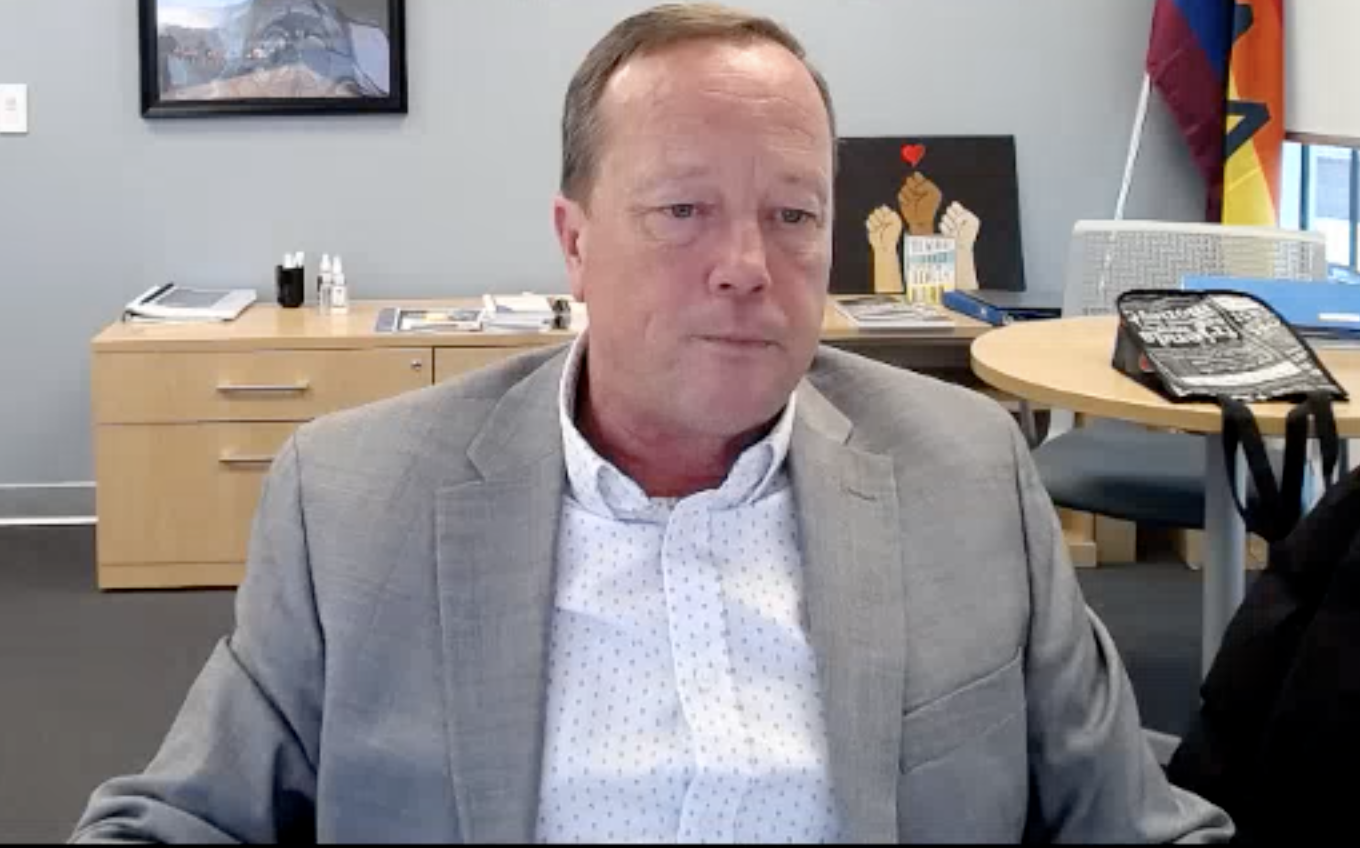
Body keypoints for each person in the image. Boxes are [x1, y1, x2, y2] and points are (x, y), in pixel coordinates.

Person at [74, 4, 1232, 843]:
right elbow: (182, 815)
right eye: (681, 210)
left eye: (791, 214)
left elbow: (1129, 816)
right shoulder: (356, 499)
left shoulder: (967, 473)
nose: (745, 266)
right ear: (574, 240)